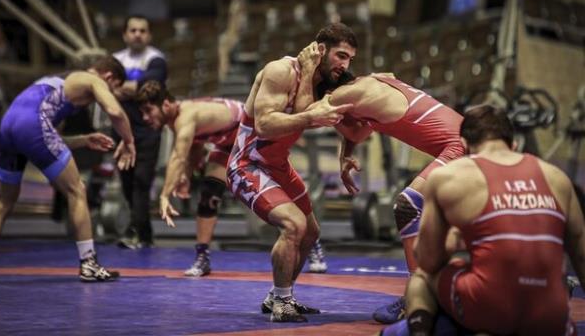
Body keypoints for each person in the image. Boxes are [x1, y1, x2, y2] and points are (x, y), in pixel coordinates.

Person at [297, 43, 465, 323]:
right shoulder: (376, 81)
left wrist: (305, 72)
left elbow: (304, 113)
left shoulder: (343, 95)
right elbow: (359, 132)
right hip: (466, 141)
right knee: (451, 220)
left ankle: (417, 297)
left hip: (460, 147)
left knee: (408, 205)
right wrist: (346, 153)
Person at [385, 104, 585, 336]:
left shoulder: (448, 176)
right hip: (552, 314)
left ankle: (419, 331)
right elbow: (581, 256)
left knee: (421, 277)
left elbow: (428, 259)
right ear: (514, 144)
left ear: (464, 145)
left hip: (491, 306)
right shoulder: (557, 178)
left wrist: (452, 241)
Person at [219, 23, 356, 322]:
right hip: (248, 163)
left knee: (311, 231)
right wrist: (309, 103)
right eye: (341, 56)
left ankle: (279, 296)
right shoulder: (280, 71)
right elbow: (265, 125)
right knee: (294, 224)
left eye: (350, 59)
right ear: (321, 50)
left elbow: (342, 119)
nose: (345, 65)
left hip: (278, 164)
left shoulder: (319, 80)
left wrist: (346, 154)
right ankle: (282, 303)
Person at [0, 56, 136, 284]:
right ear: (109, 77)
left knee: (3, 202)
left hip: (8, 126)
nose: (109, 92)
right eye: (113, 88)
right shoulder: (94, 79)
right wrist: (129, 141)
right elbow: (115, 112)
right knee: (77, 190)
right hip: (32, 125)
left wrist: (84, 140)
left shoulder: (58, 80)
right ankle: (89, 264)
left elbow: (39, 135)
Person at [136, 80, 244, 277]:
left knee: (270, 194)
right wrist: (185, 175)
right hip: (228, 142)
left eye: (148, 110)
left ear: (166, 105)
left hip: (253, 134)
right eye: (142, 112)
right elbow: (195, 146)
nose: (145, 117)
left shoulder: (185, 117)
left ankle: (303, 240)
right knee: (209, 196)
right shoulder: (176, 119)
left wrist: (164, 195)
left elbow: (178, 157)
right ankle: (202, 258)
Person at [113, 15, 168, 249]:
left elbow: (149, 85)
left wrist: (120, 88)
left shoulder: (156, 59)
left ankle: (135, 230)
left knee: (142, 180)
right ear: (125, 34)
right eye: (133, 30)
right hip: (121, 130)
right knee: (127, 181)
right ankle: (144, 233)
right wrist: (132, 89)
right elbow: (103, 88)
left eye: (142, 31)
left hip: (148, 130)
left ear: (149, 35)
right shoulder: (116, 59)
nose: (137, 34)